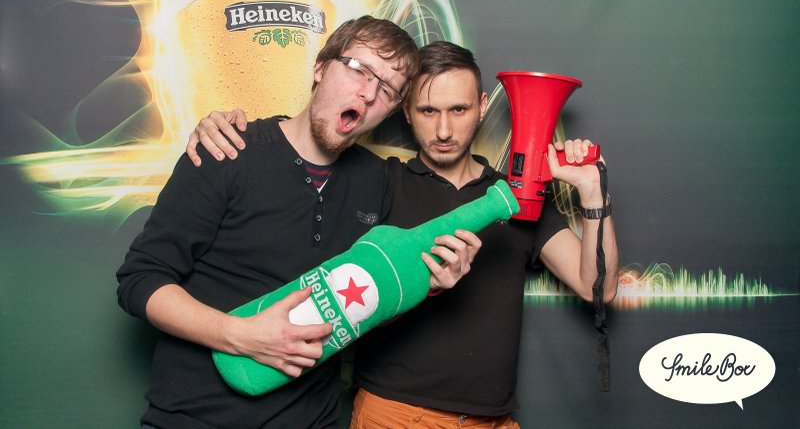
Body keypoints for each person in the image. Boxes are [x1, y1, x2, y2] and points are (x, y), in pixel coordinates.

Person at [188, 41, 619, 428]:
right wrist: (226, 130)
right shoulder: (376, 181)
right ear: (406, 112)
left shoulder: (517, 198)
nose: (444, 130)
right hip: (394, 414)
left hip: (494, 419)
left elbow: (597, 287)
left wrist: (592, 191)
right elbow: (300, 149)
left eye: (459, 110)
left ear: (482, 106)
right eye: (428, 111)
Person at [116, 18, 483, 429]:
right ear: (321, 67)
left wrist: (429, 283)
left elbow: (369, 303)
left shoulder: (377, 182)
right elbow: (140, 281)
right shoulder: (228, 150)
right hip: (193, 418)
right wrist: (238, 335)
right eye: (359, 69)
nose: (368, 93)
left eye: (387, 90)